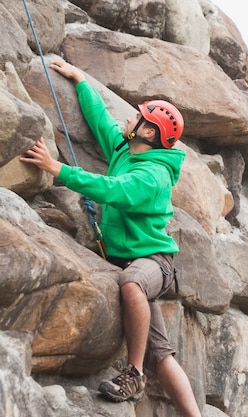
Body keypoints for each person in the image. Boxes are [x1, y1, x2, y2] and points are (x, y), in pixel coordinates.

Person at [20, 61, 202, 417]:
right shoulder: (125, 150)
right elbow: (101, 122)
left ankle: (132, 375)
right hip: (126, 259)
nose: (129, 118)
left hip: (153, 263)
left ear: (148, 133)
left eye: (138, 117)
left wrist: (58, 170)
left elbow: (111, 189)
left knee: (132, 284)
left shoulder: (153, 176)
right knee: (161, 357)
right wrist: (82, 82)